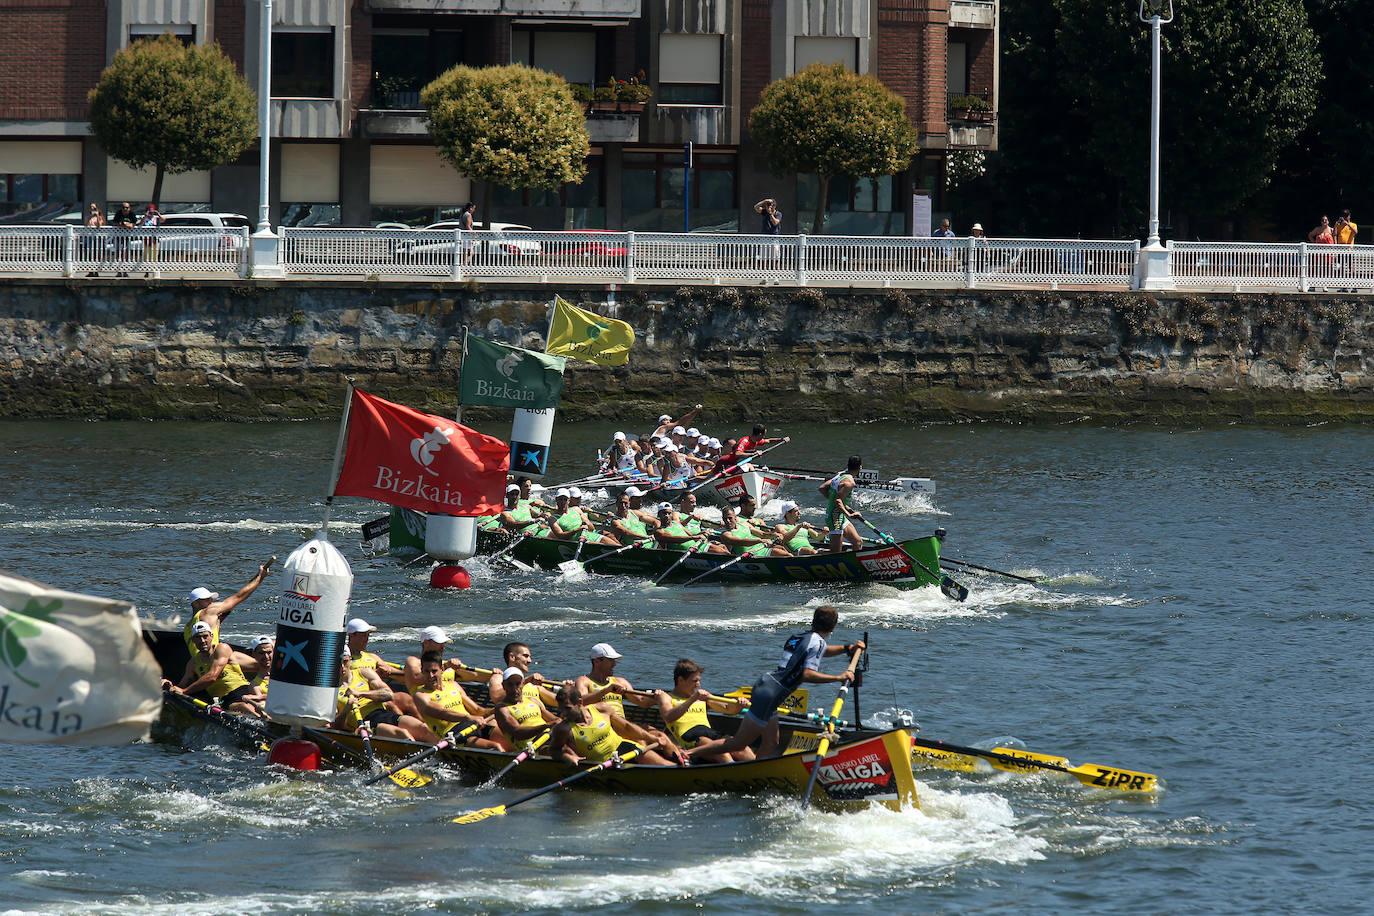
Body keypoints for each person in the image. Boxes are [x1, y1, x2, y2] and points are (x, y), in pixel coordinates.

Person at [711, 605, 864, 759]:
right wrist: (838, 677)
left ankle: (756, 768)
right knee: (738, 744)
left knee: (771, 742)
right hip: (770, 694)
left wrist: (847, 648)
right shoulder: (817, 642)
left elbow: (820, 651)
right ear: (833, 627)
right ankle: (695, 753)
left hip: (767, 685)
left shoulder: (800, 637)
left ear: (813, 621)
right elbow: (807, 674)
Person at [572, 642, 674, 749]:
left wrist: (658, 697)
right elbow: (581, 701)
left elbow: (642, 701)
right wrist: (607, 690)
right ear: (596, 661)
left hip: (624, 725)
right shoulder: (584, 681)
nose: (614, 664)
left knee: (661, 735)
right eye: (611, 660)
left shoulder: (620, 681)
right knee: (640, 741)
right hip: (603, 727)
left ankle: (680, 757)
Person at [549, 685, 681, 767]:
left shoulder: (602, 709)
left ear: (579, 702)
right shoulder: (563, 729)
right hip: (604, 764)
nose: (563, 713)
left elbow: (627, 727)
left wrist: (653, 739)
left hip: (625, 748)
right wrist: (568, 757)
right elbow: (554, 750)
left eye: (567, 708)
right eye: (561, 709)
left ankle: (682, 766)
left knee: (667, 766)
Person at [656, 658, 752, 763]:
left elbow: (728, 709)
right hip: (690, 736)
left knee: (743, 748)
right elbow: (668, 716)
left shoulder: (702, 697)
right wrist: (692, 699)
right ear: (681, 680)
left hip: (709, 732)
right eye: (695, 681)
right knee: (720, 752)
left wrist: (739, 706)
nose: (698, 684)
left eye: (699, 680)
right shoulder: (667, 697)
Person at [334, 647, 436, 742]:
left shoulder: (363, 673)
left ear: (350, 660)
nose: (342, 667)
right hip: (365, 725)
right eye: (338, 663)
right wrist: (347, 709)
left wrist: (361, 693)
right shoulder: (331, 690)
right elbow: (335, 727)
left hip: (383, 714)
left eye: (345, 662)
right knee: (402, 734)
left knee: (424, 729)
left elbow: (388, 694)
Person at [163, 621, 264, 716]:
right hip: (224, 700)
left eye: (205, 636)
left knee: (245, 706)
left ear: (212, 636)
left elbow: (212, 677)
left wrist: (185, 691)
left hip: (241, 690)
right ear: (193, 640)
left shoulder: (222, 648)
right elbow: (181, 686)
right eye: (198, 637)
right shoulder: (193, 663)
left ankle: (264, 721)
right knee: (240, 707)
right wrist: (169, 685)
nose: (202, 641)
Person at [410, 650, 503, 748]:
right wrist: (468, 717)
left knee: (508, 738)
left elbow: (477, 710)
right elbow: (442, 713)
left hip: (474, 724)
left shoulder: (453, 685)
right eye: (427, 671)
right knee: (496, 747)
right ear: (422, 671)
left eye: (434, 671)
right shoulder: (421, 695)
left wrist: (495, 710)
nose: (430, 676)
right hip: (454, 733)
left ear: (442, 669)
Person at [183, 558, 275, 653]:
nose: (211, 601)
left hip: (200, 661)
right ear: (195, 603)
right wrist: (260, 577)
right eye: (207, 599)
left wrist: (257, 577)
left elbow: (241, 594)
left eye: (211, 598)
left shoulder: (187, 628)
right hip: (212, 659)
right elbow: (239, 597)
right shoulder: (208, 612)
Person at [346, 617, 420, 718]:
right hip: (360, 697)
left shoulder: (372, 657)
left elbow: (391, 671)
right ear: (351, 635)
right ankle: (402, 723)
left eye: (368, 635)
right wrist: (376, 672)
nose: (366, 639)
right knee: (390, 704)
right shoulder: (345, 660)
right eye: (363, 635)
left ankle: (423, 725)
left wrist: (413, 673)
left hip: (380, 693)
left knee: (407, 700)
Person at [491, 666, 559, 752]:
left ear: (523, 684)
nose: (514, 689)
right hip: (532, 746)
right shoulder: (502, 709)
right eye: (510, 684)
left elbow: (555, 719)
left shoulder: (532, 700)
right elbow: (518, 733)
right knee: (559, 750)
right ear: (504, 686)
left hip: (549, 737)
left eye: (517, 684)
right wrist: (546, 726)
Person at [818, 455, 865, 551]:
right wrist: (849, 515)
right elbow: (837, 501)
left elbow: (822, 488)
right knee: (836, 552)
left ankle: (855, 560)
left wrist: (833, 500)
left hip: (840, 516)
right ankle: (818, 553)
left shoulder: (839, 476)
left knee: (858, 542)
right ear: (860, 467)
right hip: (834, 518)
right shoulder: (849, 483)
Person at [111, 202, 136, 276]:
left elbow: (134, 223)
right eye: (123, 207)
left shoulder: (132, 214)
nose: (125, 209)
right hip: (118, 236)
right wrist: (123, 225)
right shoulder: (118, 213)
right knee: (118, 253)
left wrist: (129, 224)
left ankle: (125, 271)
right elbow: (115, 222)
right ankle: (119, 271)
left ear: (129, 208)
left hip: (128, 237)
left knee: (126, 253)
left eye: (127, 208)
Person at [84, 203, 106, 276]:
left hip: (98, 237)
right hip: (90, 236)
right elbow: (86, 224)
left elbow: (100, 225)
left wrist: (97, 215)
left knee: (97, 254)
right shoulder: (88, 217)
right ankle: (91, 271)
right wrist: (90, 216)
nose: (92, 209)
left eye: (94, 208)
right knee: (90, 253)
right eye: (91, 207)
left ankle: (96, 271)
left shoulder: (100, 217)